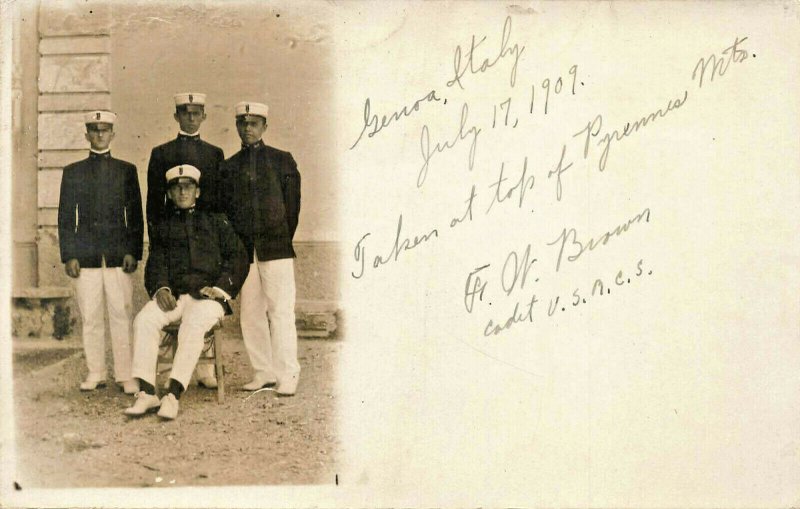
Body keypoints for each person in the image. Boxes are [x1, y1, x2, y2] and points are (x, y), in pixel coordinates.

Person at [125, 165, 248, 419]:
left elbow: (238, 257)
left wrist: (219, 289)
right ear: (169, 194)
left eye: (188, 186)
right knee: (144, 320)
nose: (182, 192)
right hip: (176, 296)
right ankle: (147, 393)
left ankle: (173, 394)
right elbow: (156, 263)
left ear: (198, 191)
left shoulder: (216, 221)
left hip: (207, 298)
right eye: (176, 188)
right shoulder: (164, 226)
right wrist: (161, 288)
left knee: (192, 326)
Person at [57, 111, 143, 394]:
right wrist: (70, 255)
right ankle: (96, 372)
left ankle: (125, 374)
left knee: (121, 313)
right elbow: (67, 217)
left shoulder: (126, 170)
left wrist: (133, 250)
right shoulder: (73, 172)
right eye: (94, 131)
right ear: (87, 135)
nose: (99, 135)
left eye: (104, 130)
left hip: (119, 255)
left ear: (112, 134)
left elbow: (135, 215)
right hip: (87, 256)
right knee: (91, 316)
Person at [219, 101, 301, 396]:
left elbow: (292, 208)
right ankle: (263, 371)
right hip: (245, 252)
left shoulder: (282, 160)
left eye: (254, 123)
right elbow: (226, 212)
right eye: (243, 123)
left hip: (276, 249)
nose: (248, 128)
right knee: (250, 313)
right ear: (238, 127)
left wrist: (279, 237)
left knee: (280, 311)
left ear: (264, 126)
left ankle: (287, 373)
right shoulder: (229, 167)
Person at [145, 92, 225, 388]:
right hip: (172, 242)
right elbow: (154, 205)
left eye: (196, 113)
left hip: (204, 243)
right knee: (170, 304)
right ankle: (169, 370)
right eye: (185, 112)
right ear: (176, 115)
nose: (191, 118)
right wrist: (157, 244)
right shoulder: (161, 152)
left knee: (202, 302)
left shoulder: (214, 154)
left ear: (203, 116)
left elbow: (218, 204)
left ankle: (204, 370)